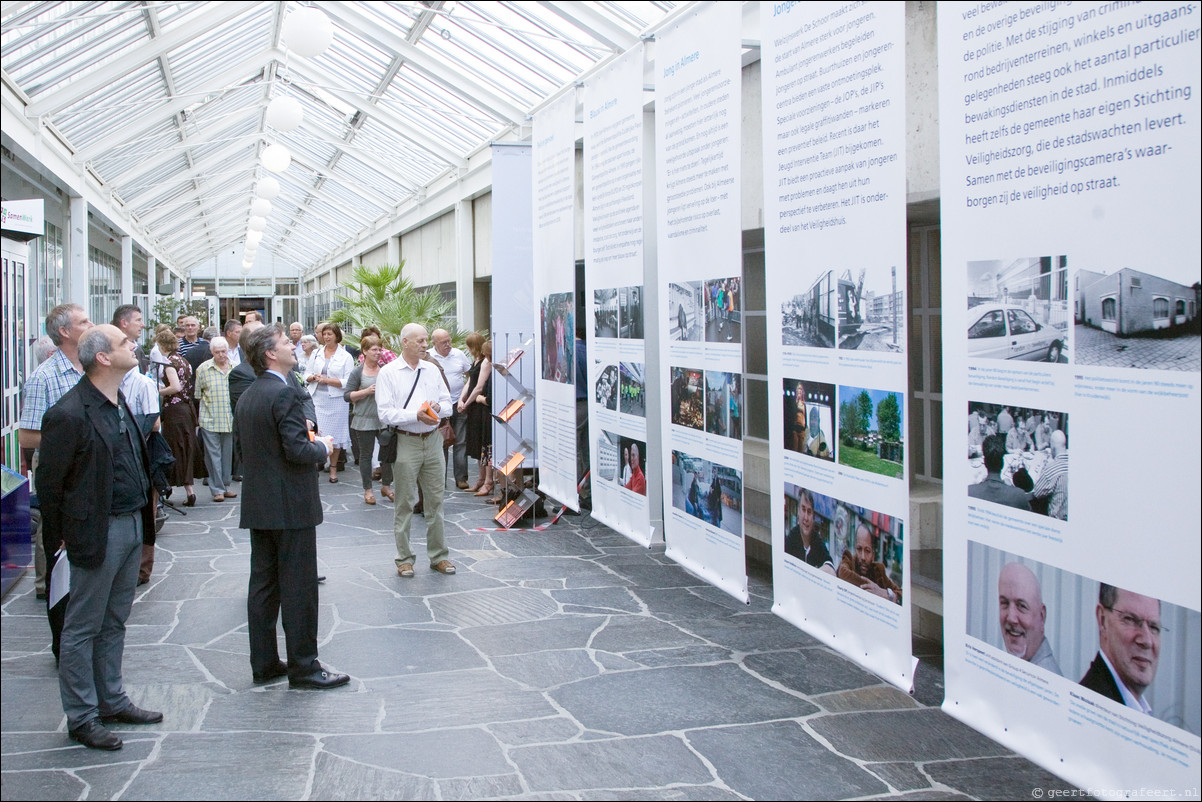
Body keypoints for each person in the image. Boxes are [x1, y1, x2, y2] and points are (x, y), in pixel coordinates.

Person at [37, 325, 161, 751]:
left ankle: (111, 700)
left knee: (114, 621)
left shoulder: (119, 399)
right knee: (82, 627)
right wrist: (61, 542)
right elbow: (50, 486)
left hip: (129, 523)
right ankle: (83, 716)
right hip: (95, 532)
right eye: (125, 343)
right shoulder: (68, 413)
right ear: (104, 358)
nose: (134, 345)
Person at [235, 324, 348, 690]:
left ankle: (265, 662)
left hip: (260, 504)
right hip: (289, 505)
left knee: (264, 585)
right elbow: (298, 449)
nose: (292, 346)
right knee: (299, 588)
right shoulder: (281, 394)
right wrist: (324, 447)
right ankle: (304, 667)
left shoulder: (250, 393)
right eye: (286, 342)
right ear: (270, 353)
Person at [19, 304, 93, 601]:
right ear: (65, 332)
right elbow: (27, 434)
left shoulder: (90, 368)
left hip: (87, 462)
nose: (91, 325)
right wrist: (72, 443)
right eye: (83, 321)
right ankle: (47, 585)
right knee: (53, 524)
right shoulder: (44, 377)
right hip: (56, 464)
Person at [376, 323, 454, 578]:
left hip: (433, 440)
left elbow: (448, 404)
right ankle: (404, 559)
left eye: (425, 340)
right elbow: (385, 412)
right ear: (404, 343)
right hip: (406, 440)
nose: (424, 345)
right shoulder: (388, 372)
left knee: (436, 501)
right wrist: (416, 414)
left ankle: (439, 556)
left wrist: (436, 410)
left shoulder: (431, 369)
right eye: (419, 340)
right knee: (405, 503)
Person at [1080, 584, 1160, 715]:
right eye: (1130, 620)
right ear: (1102, 620)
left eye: (1154, 627)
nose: (1146, 641)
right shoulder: (1090, 710)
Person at [343, 335, 395, 505]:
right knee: (365, 456)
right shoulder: (357, 372)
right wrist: (366, 392)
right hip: (364, 419)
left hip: (384, 419)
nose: (378, 352)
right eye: (374, 349)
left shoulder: (386, 370)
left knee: (387, 455)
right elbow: (347, 396)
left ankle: (386, 486)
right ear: (364, 351)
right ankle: (368, 490)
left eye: (380, 349)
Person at [150, 328, 197, 507]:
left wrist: (157, 391)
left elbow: (175, 387)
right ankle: (189, 490)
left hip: (175, 410)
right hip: (187, 409)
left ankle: (170, 489)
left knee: (175, 448)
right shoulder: (183, 360)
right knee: (186, 447)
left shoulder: (169, 363)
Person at [304, 322, 353, 483]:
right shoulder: (316, 353)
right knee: (317, 432)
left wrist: (328, 380)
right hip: (318, 397)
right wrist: (313, 378)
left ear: (336, 336)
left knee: (336, 436)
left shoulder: (345, 356)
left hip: (336, 399)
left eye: (329, 334)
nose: (326, 337)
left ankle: (333, 468)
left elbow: (348, 381)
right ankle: (316, 464)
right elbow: (307, 374)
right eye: (324, 334)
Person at [997, 563, 1061, 674]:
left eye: (1021, 606)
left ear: (1042, 616)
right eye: (1005, 603)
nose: (1011, 618)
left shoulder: (1044, 679)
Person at [195, 336, 237, 502]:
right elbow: (198, 394)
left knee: (227, 455)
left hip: (230, 418)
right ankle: (217, 489)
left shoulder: (235, 368)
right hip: (210, 418)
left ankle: (225, 485)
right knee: (213, 456)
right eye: (217, 352)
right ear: (212, 352)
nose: (221, 355)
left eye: (223, 351)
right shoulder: (204, 369)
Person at [430, 328, 472, 489]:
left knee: (461, 441)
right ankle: (441, 478)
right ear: (434, 343)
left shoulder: (458, 354)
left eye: (449, 341)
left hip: (458, 403)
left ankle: (461, 478)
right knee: (442, 441)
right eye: (443, 342)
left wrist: (464, 397)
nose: (448, 344)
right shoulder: (429, 357)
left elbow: (470, 376)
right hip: (438, 407)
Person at [459, 334, 493, 496]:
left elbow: (478, 387)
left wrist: (467, 402)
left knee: (485, 444)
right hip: (474, 405)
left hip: (481, 408)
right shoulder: (477, 361)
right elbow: (469, 383)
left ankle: (488, 481)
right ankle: (480, 479)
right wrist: (461, 399)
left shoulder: (486, 362)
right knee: (477, 445)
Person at [837, 523, 901, 604]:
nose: (863, 557)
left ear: (873, 555)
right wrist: (873, 590)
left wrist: (885, 593)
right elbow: (843, 573)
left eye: (867, 551)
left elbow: (901, 594)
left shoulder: (879, 571)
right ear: (854, 549)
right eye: (859, 549)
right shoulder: (848, 560)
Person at [969, 434, 1031, 511]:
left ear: (985, 462)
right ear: (1003, 463)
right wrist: (1011, 488)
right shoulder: (1019, 496)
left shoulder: (970, 492)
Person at [783, 488, 834, 573]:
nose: (806, 518)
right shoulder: (791, 539)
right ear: (798, 511)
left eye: (809, 512)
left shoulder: (817, 541)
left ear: (813, 516)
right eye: (803, 510)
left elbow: (830, 568)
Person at [1029, 429, 1068, 520]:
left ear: (1052, 447)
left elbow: (1037, 493)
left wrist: (1044, 469)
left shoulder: (1052, 469)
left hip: (1057, 519)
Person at [112, 304, 149, 374]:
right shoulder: (110, 351)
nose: (143, 325)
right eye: (138, 320)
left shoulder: (138, 351)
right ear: (124, 323)